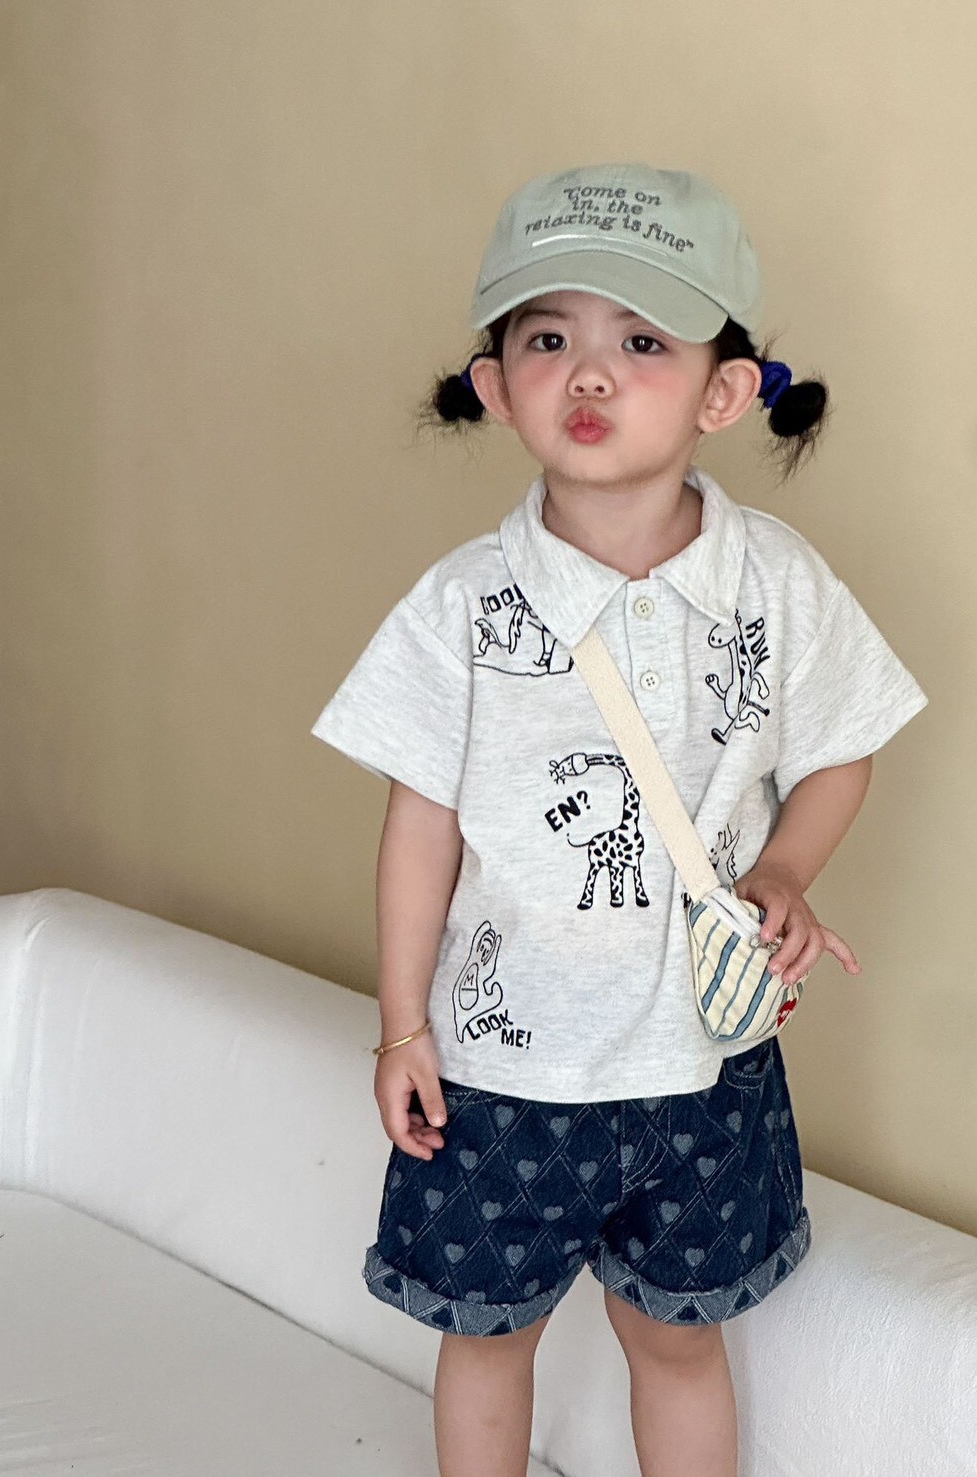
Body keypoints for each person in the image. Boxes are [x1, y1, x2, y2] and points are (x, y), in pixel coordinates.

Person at [311, 163, 928, 1477]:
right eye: (547, 339)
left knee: (679, 1342)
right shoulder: (461, 605)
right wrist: (404, 1026)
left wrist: (788, 871)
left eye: (642, 342)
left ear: (724, 391)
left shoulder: (779, 585)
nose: (589, 373)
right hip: (502, 1070)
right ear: (495, 386)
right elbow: (419, 827)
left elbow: (842, 752)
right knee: (488, 1341)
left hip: (708, 1065)